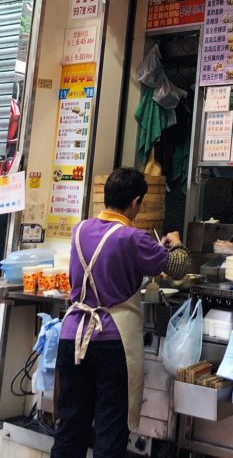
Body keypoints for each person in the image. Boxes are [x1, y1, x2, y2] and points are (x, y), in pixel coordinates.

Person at [51, 167, 190, 458]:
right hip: (112, 343)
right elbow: (177, 267)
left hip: (72, 338)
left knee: (70, 427)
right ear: (136, 202)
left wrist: (156, 249)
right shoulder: (132, 238)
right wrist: (175, 243)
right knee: (110, 431)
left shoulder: (80, 229)